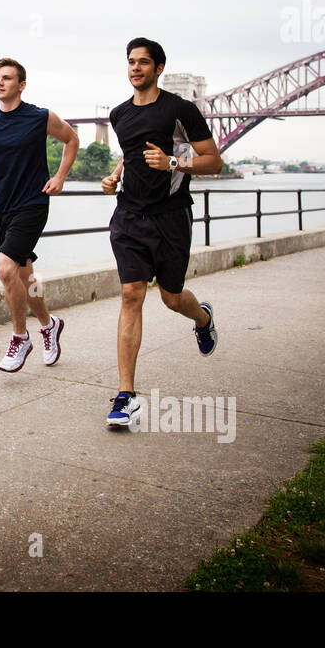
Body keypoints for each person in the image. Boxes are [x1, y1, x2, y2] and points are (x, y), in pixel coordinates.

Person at [100, 37, 222, 426]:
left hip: (170, 217)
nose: (135, 68)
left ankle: (202, 318)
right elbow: (130, 150)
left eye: (143, 63)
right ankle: (126, 396)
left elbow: (213, 161)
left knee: (171, 298)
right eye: (131, 62)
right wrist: (115, 175)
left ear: (159, 68)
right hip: (129, 216)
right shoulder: (119, 114)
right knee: (131, 294)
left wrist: (173, 161)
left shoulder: (180, 109)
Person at [0, 57, 79, 372]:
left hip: (32, 204)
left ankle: (20, 337)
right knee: (24, 274)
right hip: (0, 205)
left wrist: (60, 177)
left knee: (5, 271)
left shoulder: (40, 117)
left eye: (7, 78)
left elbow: (72, 139)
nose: (0, 82)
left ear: (21, 85)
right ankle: (48, 325)